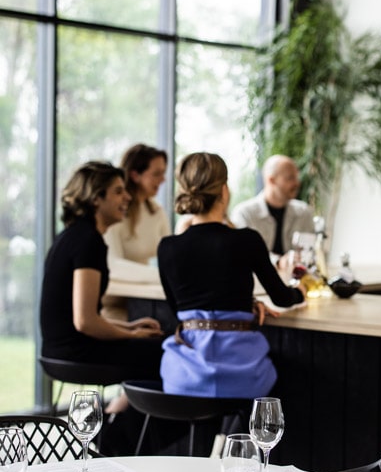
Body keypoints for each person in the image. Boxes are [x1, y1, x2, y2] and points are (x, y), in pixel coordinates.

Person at [40, 161, 166, 452]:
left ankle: (116, 431)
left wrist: (129, 326)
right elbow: (85, 321)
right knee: (165, 354)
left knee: (155, 348)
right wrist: (132, 335)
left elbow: (85, 316)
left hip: (59, 349)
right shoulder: (88, 241)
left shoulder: (73, 235)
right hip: (75, 351)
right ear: (96, 198)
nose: (128, 197)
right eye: (118, 191)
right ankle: (115, 440)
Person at [157, 152, 306, 398]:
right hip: (243, 375)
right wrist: (300, 291)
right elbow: (281, 298)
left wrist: (244, 303)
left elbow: (181, 309)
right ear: (224, 191)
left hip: (184, 379)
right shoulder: (247, 240)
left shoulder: (167, 247)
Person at [103, 144, 171, 321]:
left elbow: (171, 258)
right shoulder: (115, 213)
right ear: (135, 175)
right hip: (117, 304)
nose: (163, 179)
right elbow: (113, 266)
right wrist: (164, 277)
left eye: (163, 173)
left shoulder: (157, 212)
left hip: (148, 299)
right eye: (156, 174)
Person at [229, 154, 315, 267]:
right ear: (271, 180)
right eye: (290, 178)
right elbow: (244, 253)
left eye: (296, 177)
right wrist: (278, 261)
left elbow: (310, 253)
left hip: (297, 277)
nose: (297, 183)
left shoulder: (304, 212)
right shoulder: (244, 214)